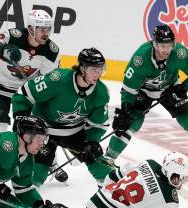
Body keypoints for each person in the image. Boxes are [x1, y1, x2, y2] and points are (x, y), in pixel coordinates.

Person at [109, 25, 188, 173]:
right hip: (143, 90)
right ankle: (108, 158)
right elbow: (129, 89)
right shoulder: (140, 59)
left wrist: (183, 88)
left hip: (169, 88)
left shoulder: (179, 53)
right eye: (162, 46)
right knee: (130, 122)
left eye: (169, 45)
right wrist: (126, 108)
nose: (166, 50)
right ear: (154, 44)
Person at [11, 48, 113, 187]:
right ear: (82, 69)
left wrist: (92, 141)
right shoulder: (57, 79)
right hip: (43, 131)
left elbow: (98, 124)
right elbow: (24, 94)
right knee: (36, 176)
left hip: (75, 133)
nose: (98, 74)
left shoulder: (101, 92)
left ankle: (113, 193)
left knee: (98, 164)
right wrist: (20, 117)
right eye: (93, 70)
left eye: (101, 70)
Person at [0, 9, 60, 135]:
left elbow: (47, 81)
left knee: (28, 134)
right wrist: (2, 50)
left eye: (48, 29)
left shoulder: (51, 52)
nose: (46, 33)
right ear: (31, 29)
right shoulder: (13, 36)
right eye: (42, 29)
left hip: (23, 96)